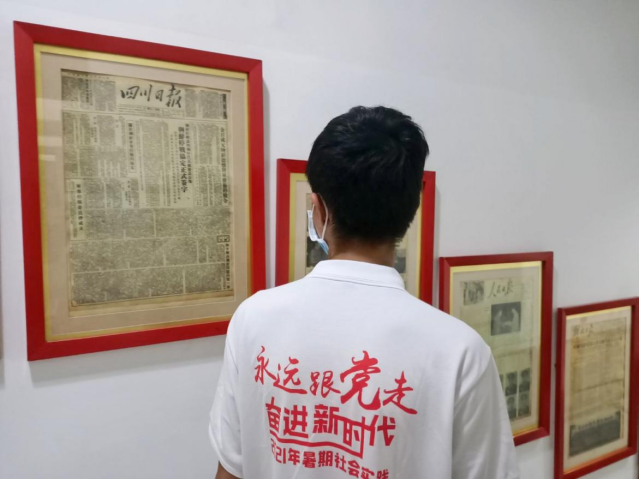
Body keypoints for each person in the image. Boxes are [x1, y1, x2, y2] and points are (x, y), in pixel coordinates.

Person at [210, 106, 519, 479]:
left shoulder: (253, 318)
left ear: (318, 209)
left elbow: (230, 469)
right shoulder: (460, 352)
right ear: (411, 210)